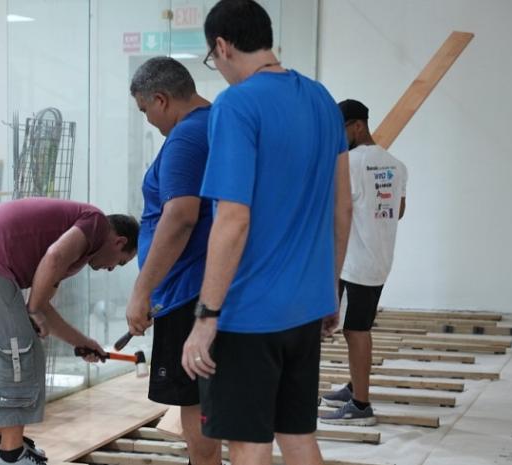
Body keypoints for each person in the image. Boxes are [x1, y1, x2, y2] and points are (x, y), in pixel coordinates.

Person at [180, 2, 352, 465]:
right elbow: (344, 208)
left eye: (213, 61)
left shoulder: (237, 105)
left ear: (222, 46)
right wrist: (329, 289)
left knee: (249, 444)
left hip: (249, 312)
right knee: (296, 435)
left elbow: (233, 220)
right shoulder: (321, 99)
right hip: (305, 308)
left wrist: (206, 316)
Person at [0, 198, 138, 465]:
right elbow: (52, 261)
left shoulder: (74, 253)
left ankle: (8, 446)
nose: (111, 268)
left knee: (4, 353)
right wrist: (32, 309)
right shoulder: (96, 224)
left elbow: (42, 309)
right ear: (120, 242)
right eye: (120, 262)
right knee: (16, 355)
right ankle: (12, 456)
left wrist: (82, 342)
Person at [125, 56, 220, 465]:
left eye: (145, 110)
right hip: (204, 285)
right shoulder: (215, 123)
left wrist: (141, 290)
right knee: (209, 401)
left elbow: (180, 216)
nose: (148, 120)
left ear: (160, 99)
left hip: (185, 292)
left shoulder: (185, 137)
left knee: (193, 403)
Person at [319, 99, 408, 426]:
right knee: (358, 328)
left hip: (355, 263)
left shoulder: (350, 164)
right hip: (380, 260)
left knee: (356, 331)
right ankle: (356, 386)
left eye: (340, 130)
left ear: (357, 126)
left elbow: (338, 211)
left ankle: (360, 406)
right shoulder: (396, 165)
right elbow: (399, 211)